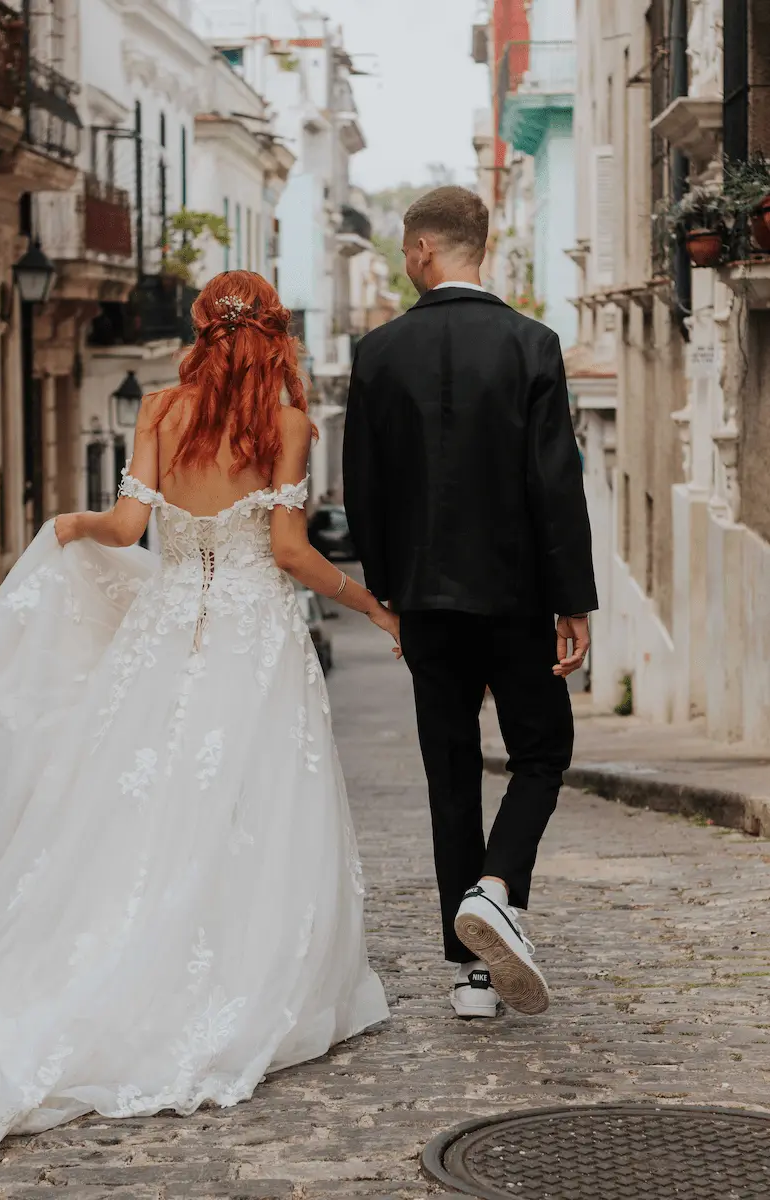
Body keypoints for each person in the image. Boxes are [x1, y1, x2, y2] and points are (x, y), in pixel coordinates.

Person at [0, 272, 394, 1172]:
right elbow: (287, 551)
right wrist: (373, 605)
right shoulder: (287, 424)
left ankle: (115, 952)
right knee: (248, 807)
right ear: (273, 335)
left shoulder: (159, 408)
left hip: (163, 636)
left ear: (201, 330)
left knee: (133, 804)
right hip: (251, 637)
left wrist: (66, 528)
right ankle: (224, 968)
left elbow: (122, 528)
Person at [343, 187, 597, 1021]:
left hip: (425, 603)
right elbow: (555, 482)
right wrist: (572, 600)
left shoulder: (377, 354)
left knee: (449, 774)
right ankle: (495, 889)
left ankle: (473, 977)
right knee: (541, 753)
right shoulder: (533, 344)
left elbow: (365, 490)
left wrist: (389, 591)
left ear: (421, 250)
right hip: (518, 596)